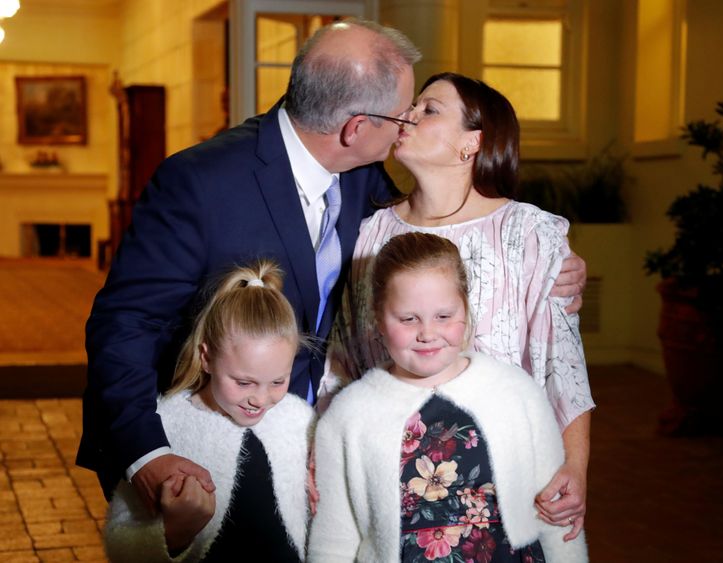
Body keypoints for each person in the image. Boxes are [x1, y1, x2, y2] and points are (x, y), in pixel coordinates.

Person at [77, 19, 585, 513]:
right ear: (356, 128)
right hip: (207, 445)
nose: (406, 124)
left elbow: (429, 236)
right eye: (402, 116)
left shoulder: (365, 182)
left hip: (328, 449)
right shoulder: (200, 183)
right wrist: (147, 453)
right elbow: (126, 322)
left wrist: (553, 268)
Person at [324, 72, 594, 539]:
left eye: (429, 110)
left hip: (504, 464)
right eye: (413, 107)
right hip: (390, 465)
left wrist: (575, 465)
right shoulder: (371, 234)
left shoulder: (529, 232)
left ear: (472, 143)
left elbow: (563, 367)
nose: (408, 116)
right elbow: (345, 359)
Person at [309, 232, 588, 562]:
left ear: (466, 309)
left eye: (443, 316)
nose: (427, 333)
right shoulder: (348, 415)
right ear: (379, 319)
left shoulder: (516, 393)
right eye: (408, 318)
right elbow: (333, 540)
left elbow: (557, 519)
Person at [104, 260, 312, 562]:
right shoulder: (165, 424)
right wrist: (174, 533)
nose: (261, 399)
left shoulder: (300, 420)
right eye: (243, 382)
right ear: (206, 357)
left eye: (278, 381)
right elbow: (119, 544)